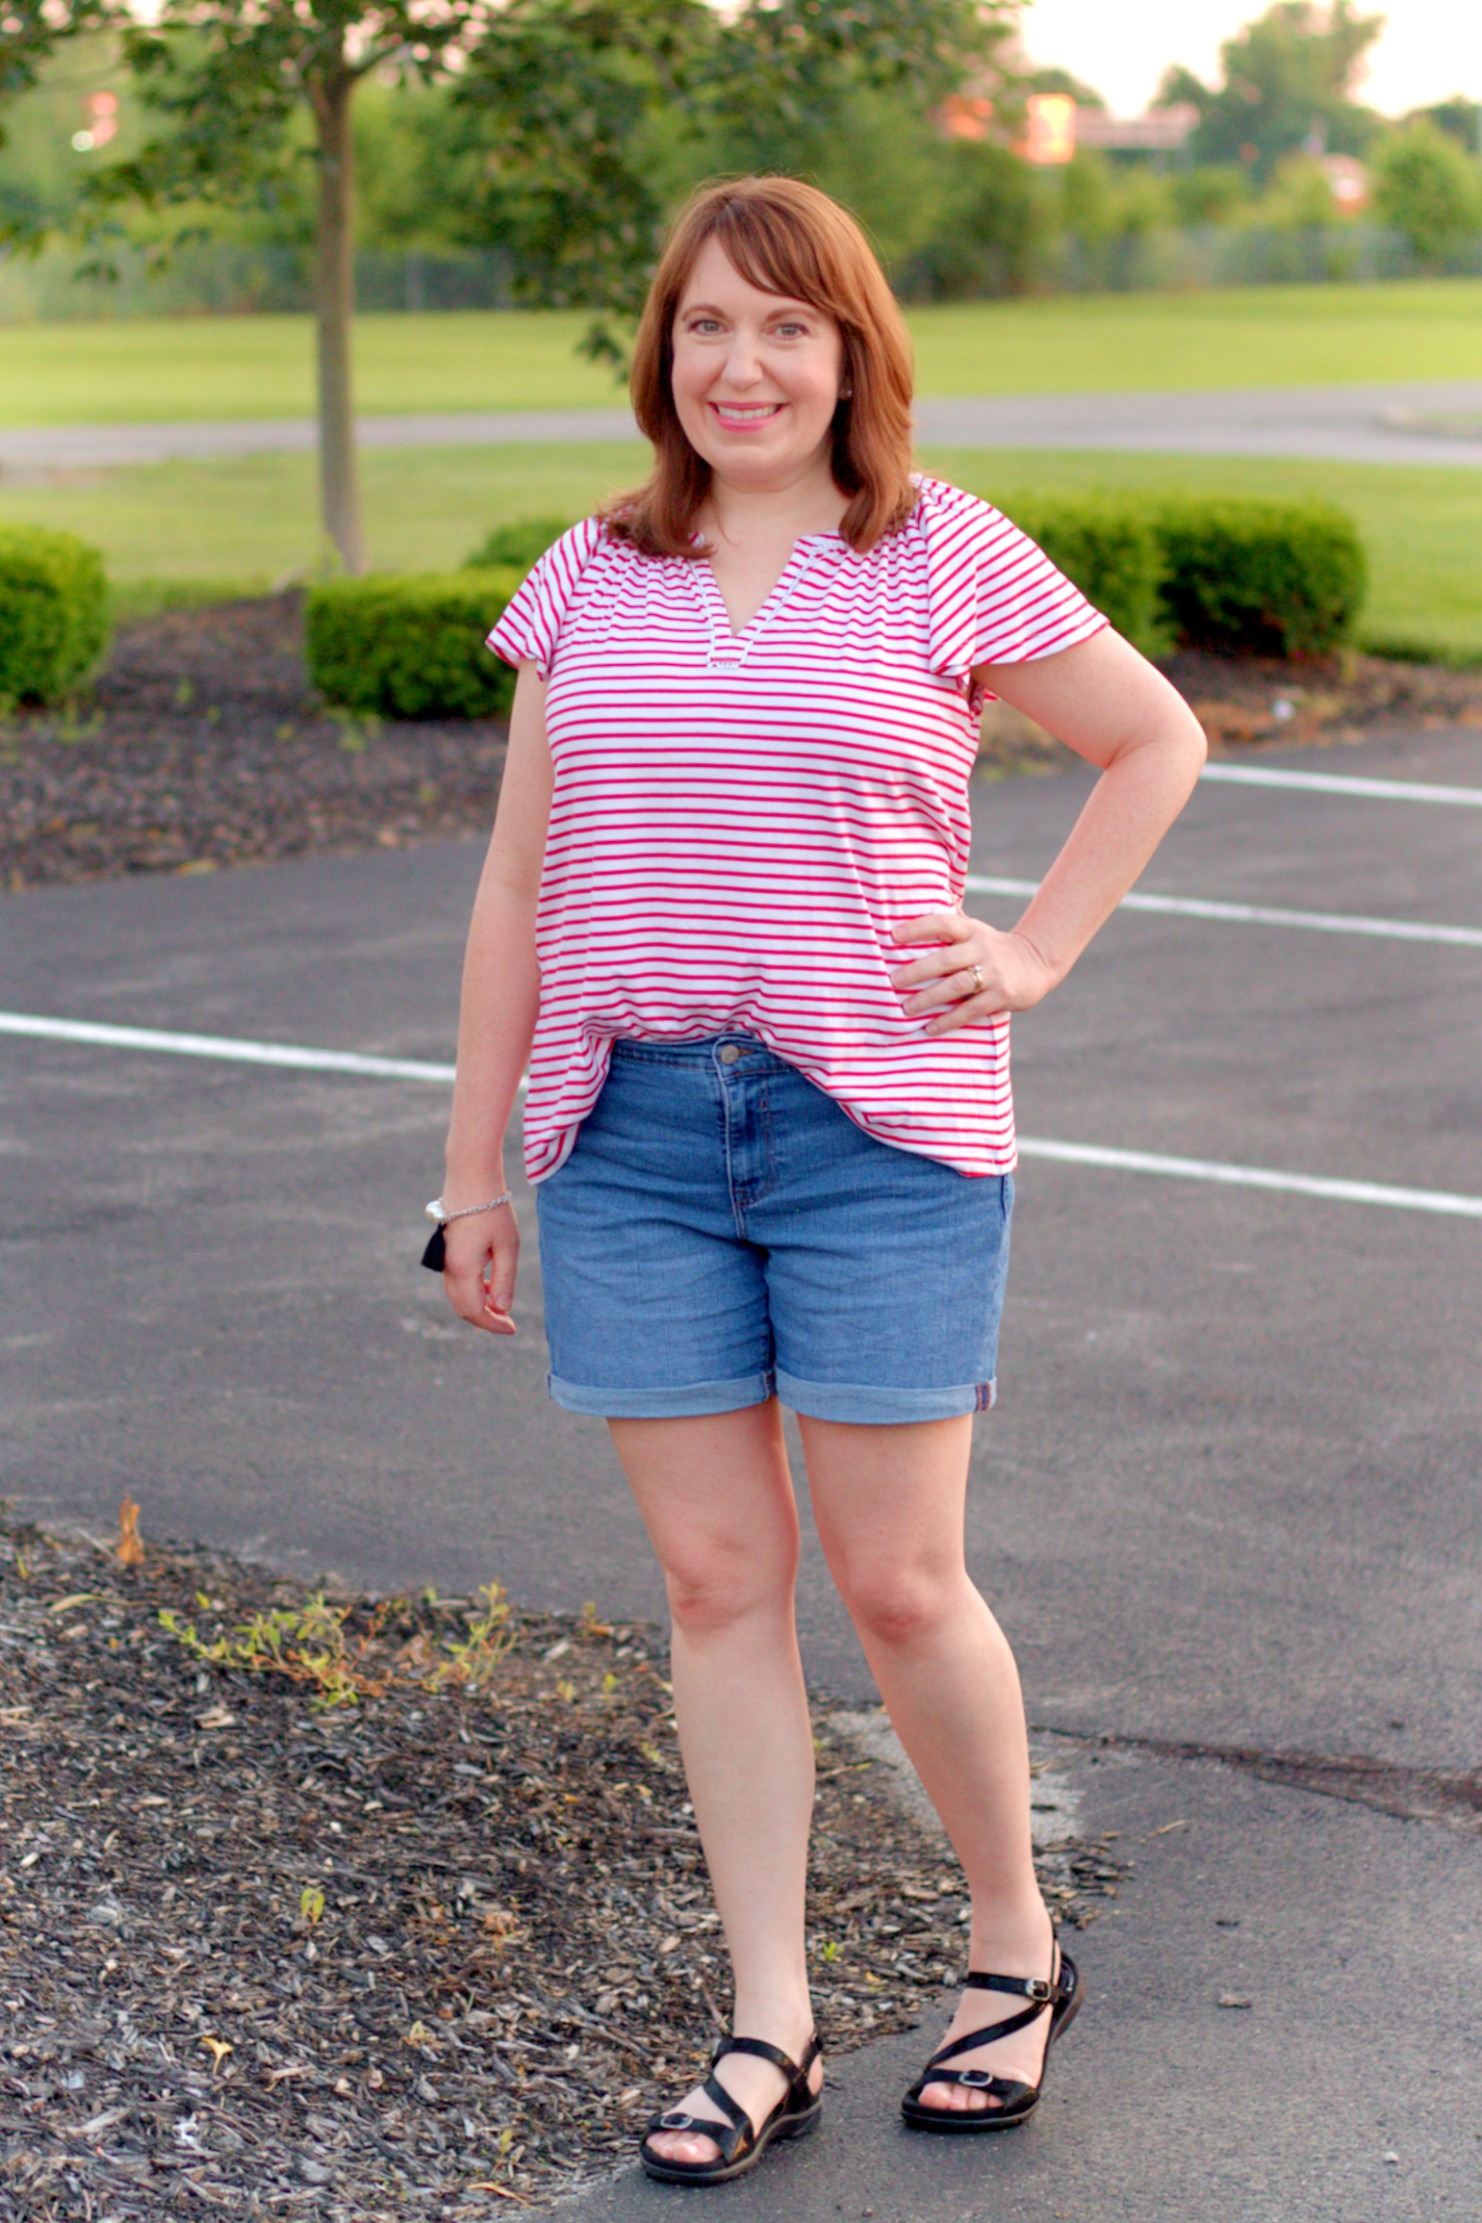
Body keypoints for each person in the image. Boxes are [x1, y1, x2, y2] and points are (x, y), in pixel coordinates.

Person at [432, 175, 1206, 2188]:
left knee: (894, 1576)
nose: (743, 365)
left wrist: (1031, 949)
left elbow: (1153, 738)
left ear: (854, 351)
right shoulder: (587, 573)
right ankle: (769, 2013)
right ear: (661, 355)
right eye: (706, 325)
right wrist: (475, 1169)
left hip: (881, 1129)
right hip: (632, 1136)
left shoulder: (938, 554)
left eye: (787, 326)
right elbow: (520, 883)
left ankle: (1012, 1943)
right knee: (715, 1580)